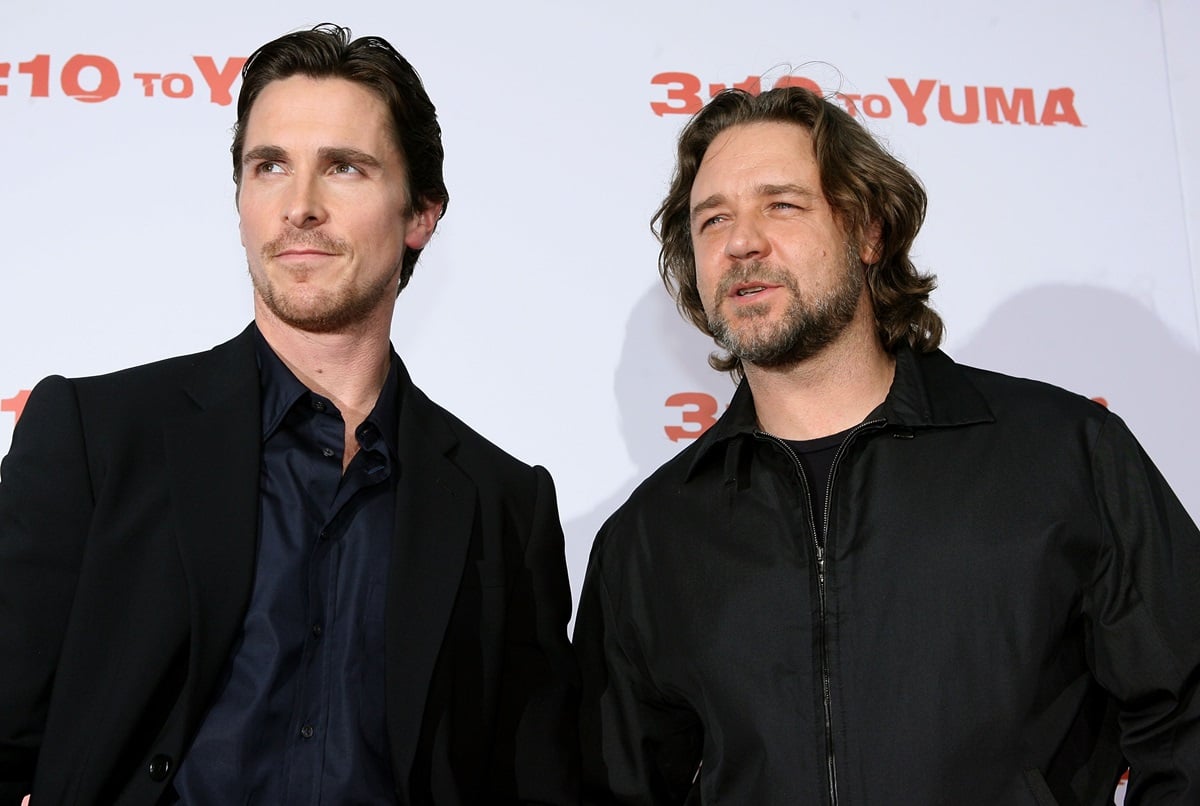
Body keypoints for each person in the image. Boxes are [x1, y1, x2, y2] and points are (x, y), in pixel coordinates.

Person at [0, 24, 578, 806]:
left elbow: (532, 780)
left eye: (344, 167)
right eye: (269, 166)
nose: (299, 207)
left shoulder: (503, 503)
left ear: (421, 215)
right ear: (240, 198)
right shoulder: (96, 437)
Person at [574, 86, 1200, 805]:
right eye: (713, 219)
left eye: (781, 205)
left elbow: (1187, 711)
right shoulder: (651, 537)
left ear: (869, 231)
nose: (741, 242)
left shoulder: (1061, 457)